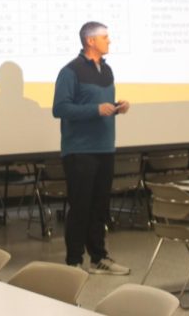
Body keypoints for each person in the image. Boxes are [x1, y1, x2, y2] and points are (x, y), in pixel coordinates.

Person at [52, 21, 131, 275]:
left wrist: (117, 107)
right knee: (81, 206)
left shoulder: (107, 71)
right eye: (105, 37)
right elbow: (60, 108)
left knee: (100, 206)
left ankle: (99, 258)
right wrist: (95, 109)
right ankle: (74, 261)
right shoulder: (70, 71)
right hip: (80, 150)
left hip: (105, 148)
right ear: (90, 41)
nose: (109, 41)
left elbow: (102, 106)